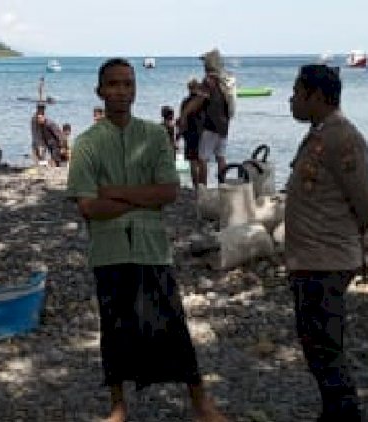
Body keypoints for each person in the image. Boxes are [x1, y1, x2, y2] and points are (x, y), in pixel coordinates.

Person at [66, 58, 227, 422]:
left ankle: (200, 401)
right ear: (100, 91)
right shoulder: (87, 144)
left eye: (127, 83)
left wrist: (116, 193)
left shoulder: (154, 136)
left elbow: (168, 191)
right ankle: (118, 404)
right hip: (109, 249)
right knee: (115, 326)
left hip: (151, 247)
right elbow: (89, 206)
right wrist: (139, 196)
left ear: (135, 89)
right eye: (113, 84)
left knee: (173, 323)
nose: (121, 91)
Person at [286, 64, 368, 422]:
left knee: (325, 345)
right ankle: (334, 410)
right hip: (310, 258)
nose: (291, 100)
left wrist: (349, 240)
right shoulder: (320, 133)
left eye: (297, 93)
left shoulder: (343, 138)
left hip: (326, 260)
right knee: (315, 343)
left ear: (318, 96)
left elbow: (366, 202)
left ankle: (344, 412)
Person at [182, 49, 235, 185]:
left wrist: (185, 113)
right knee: (221, 157)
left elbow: (200, 99)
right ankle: (223, 185)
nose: (203, 64)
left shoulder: (209, 80)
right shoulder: (225, 79)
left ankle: (203, 188)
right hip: (224, 125)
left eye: (205, 61)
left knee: (202, 159)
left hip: (211, 125)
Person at [179, 79, 206, 190]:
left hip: (190, 133)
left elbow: (182, 118)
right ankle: (204, 186)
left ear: (189, 88)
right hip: (202, 132)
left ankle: (196, 187)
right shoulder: (203, 100)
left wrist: (181, 133)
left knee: (193, 162)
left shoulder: (185, 101)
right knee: (202, 161)